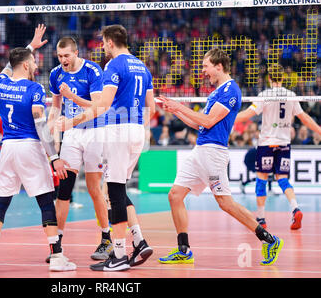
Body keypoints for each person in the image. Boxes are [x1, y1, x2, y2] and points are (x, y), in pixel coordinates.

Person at [157, 48, 283, 266]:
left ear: (219, 66)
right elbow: (199, 124)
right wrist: (175, 110)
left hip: (214, 153)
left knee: (225, 203)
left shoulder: (230, 91)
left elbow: (207, 122)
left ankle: (268, 239)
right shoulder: (216, 93)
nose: (203, 71)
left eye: (206, 66)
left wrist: (180, 106)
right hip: (201, 150)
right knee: (175, 196)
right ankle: (184, 249)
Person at [57, 24, 155, 271]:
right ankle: (139, 240)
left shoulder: (114, 65)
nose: (102, 46)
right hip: (137, 131)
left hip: (118, 131)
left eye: (103, 42)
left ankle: (119, 255)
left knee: (115, 191)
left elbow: (102, 105)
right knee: (117, 189)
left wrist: (71, 120)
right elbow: (150, 108)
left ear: (111, 42)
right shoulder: (142, 66)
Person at [0, 45, 76, 272]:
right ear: (25, 65)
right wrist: (54, 156)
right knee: (45, 201)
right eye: (33, 61)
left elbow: (7, 67)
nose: (35, 65)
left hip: (8, 148)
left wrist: (30, 45)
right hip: (29, 147)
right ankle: (56, 256)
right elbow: (40, 123)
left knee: (1, 201)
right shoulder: (34, 88)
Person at [47, 36, 112, 262]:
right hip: (72, 134)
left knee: (94, 188)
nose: (63, 60)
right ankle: (56, 243)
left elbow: (98, 108)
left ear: (76, 53)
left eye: (67, 55)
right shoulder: (56, 74)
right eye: (60, 56)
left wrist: (72, 100)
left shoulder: (93, 71)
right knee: (64, 189)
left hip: (95, 131)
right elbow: (56, 108)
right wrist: (48, 134)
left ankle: (106, 239)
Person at [235, 64, 321, 230]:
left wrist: (227, 120)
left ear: (269, 78)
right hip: (283, 144)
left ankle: (261, 219)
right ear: (282, 77)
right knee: (282, 179)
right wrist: (319, 129)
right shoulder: (291, 95)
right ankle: (295, 207)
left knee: (261, 180)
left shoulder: (264, 95)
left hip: (267, 143)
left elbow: (248, 114)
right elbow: (304, 118)